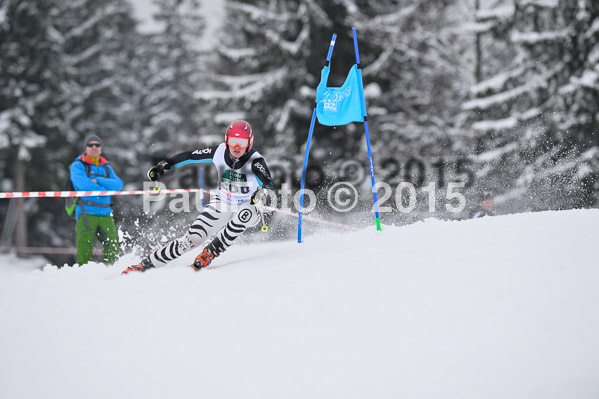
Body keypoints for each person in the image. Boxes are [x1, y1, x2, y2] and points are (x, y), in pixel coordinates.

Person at [122, 120, 275, 274]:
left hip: (247, 207)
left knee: (244, 214)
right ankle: (144, 265)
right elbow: (190, 155)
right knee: (191, 239)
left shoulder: (256, 161)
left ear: (249, 143)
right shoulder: (219, 151)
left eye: (241, 142)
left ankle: (210, 253)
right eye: (233, 141)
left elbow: (269, 184)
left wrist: (261, 193)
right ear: (226, 140)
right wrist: (164, 166)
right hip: (223, 202)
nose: (236, 146)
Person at [70, 135, 123, 265]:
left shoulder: (106, 167)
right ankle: (82, 274)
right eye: (90, 145)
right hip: (86, 211)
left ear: (101, 148)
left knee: (113, 245)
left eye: (97, 145)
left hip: (105, 213)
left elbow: (118, 185)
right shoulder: (78, 165)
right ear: (85, 148)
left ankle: (109, 271)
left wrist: (98, 179)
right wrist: (106, 187)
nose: (94, 147)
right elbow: (84, 185)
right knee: (84, 247)